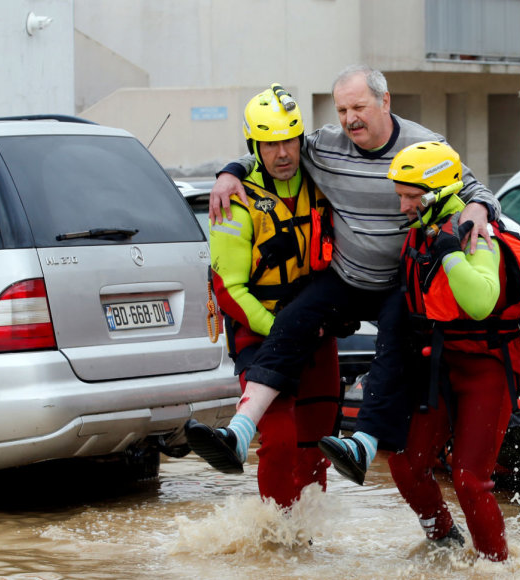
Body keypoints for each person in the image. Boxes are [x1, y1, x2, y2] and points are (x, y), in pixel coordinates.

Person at [204, 65, 501, 484]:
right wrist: (228, 172)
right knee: (293, 320)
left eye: (358, 106)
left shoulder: (425, 145)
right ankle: (239, 431)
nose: (350, 119)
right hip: (346, 278)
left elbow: (474, 188)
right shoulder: (324, 146)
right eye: (342, 109)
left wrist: (480, 207)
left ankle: (363, 443)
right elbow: (272, 150)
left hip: (398, 282)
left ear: (385, 101)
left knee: (393, 343)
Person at [184, 85, 340, 509]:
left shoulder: (321, 180)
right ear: (255, 145)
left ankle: (307, 543)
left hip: (318, 329)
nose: (283, 152)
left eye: (289, 139)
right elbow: (229, 290)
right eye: (270, 143)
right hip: (262, 331)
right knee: (280, 441)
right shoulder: (234, 201)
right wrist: (283, 331)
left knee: (317, 445)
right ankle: (275, 542)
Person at [385, 141, 520, 562]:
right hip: (439, 364)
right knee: (404, 462)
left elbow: (480, 302)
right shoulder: (424, 230)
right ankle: (444, 541)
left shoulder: (475, 232)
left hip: (487, 365)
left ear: (435, 194)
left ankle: (496, 567)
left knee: (470, 478)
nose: (402, 206)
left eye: (410, 197)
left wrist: (452, 254)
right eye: (400, 195)